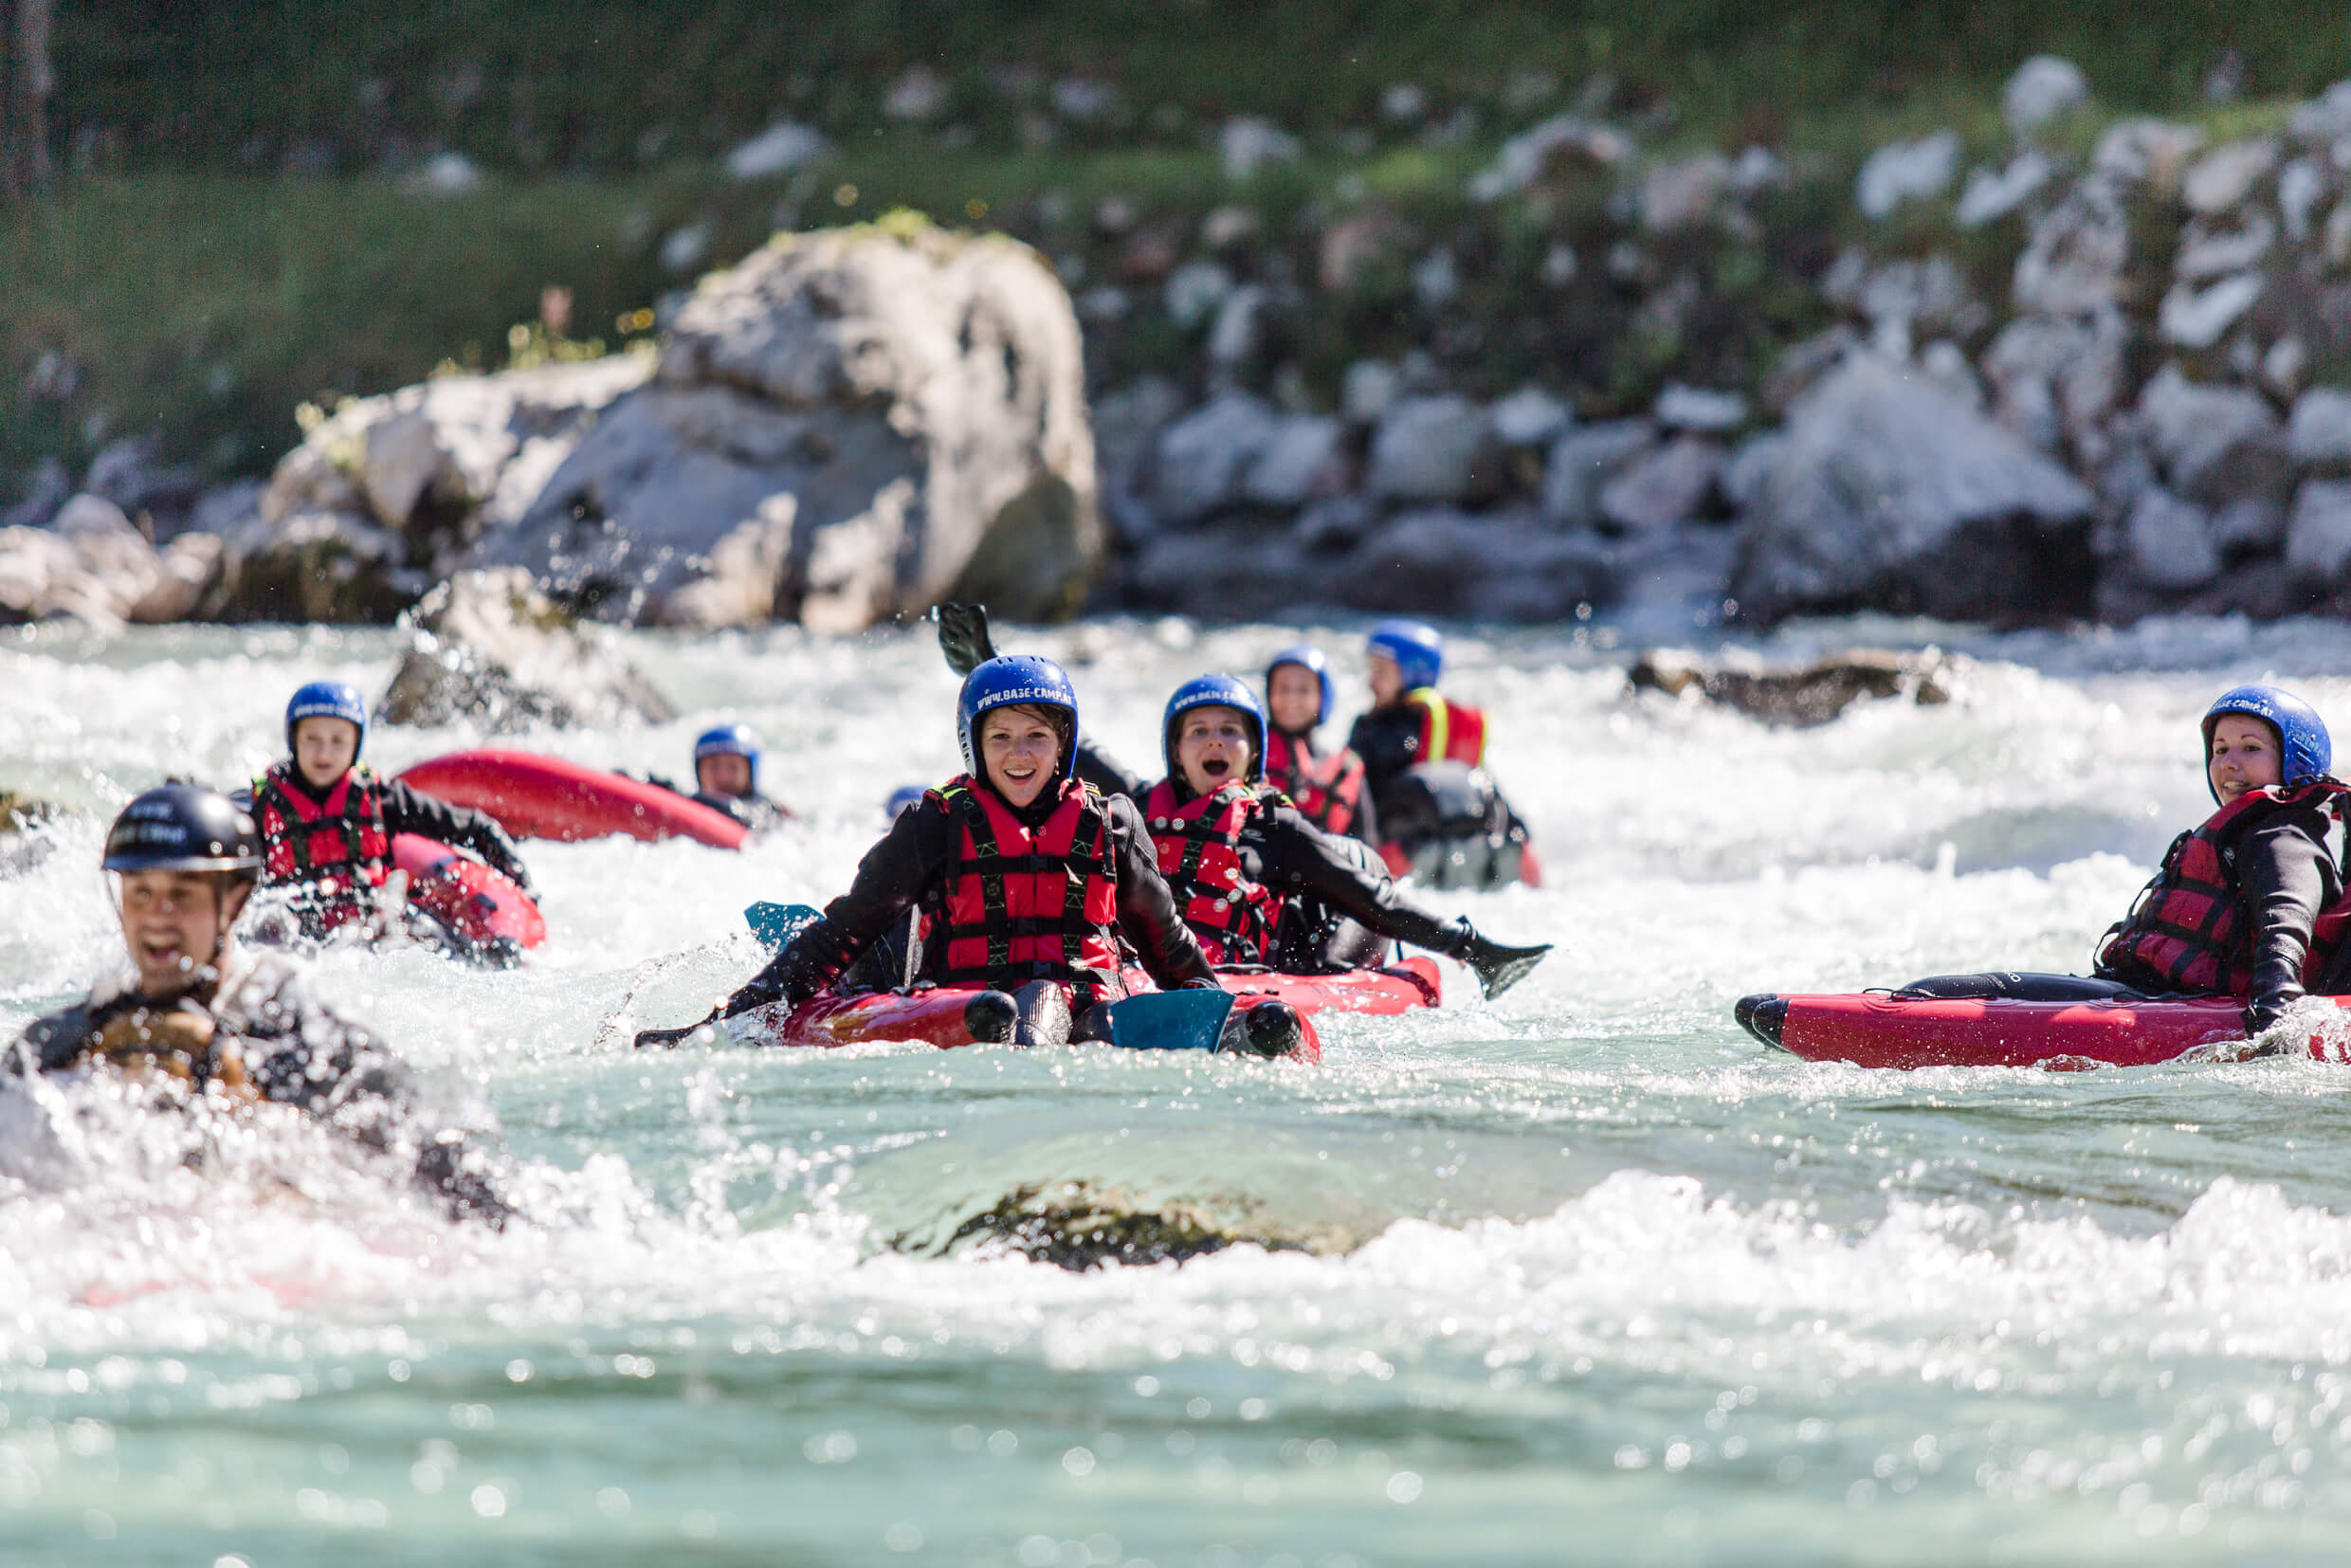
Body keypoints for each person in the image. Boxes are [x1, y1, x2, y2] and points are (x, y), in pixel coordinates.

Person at [11, 784, 511, 1223]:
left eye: (181, 894)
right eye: (140, 894)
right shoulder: (62, 1043)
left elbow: (466, 1195)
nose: (157, 917)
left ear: (236, 899)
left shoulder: (310, 1046)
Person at [713, 655, 1221, 1045]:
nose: (1018, 755)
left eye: (1036, 737)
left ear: (1062, 745)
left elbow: (1167, 947)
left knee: (1059, 1006)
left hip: (1094, 1013)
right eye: (1000, 737)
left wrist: (1220, 1009)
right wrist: (726, 1020)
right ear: (973, 743)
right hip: (973, 1011)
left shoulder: (1112, 823)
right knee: (1033, 1002)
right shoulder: (934, 824)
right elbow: (843, 933)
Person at [1883, 685, 2351, 1036]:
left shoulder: (2281, 836)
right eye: (2220, 749)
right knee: (1958, 988)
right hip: (2153, 995)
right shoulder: (2254, 828)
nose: (2230, 763)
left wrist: (2274, 1019)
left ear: (2295, 764)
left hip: (2181, 1003)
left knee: (1949, 992)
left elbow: (2286, 923)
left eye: (2251, 748)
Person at [1143, 673, 1551, 997]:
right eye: (1198, 731)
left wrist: (1468, 945)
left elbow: (1371, 896)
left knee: (1359, 860)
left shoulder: (1274, 828)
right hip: (1152, 976)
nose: (1215, 739)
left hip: (1243, 982)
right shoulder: (1138, 815)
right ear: (1175, 750)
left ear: (1253, 751)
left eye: (1230, 730)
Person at [250, 682, 536, 941]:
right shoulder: (261, 804)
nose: (324, 753)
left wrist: (520, 882)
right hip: (291, 935)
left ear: (356, 744)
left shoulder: (382, 799)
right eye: (312, 739)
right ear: (293, 739)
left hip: (366, 931)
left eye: (338, 741)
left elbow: (472, 827)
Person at [1344, 620, 1536, 890]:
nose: (1371, 682)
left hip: (1404, 845)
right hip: (1423, 843)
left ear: (1413, 673)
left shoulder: (1371, 728)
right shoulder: (1447, 720)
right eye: (1372, 670)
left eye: (1381, 672)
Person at [1262, 645, 1376, 844]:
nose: (1292, 699)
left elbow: (1368, 847)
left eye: (1304, 690)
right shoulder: (1248, 755)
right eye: (1283, 688)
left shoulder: (1346, 768)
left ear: (1323, 697)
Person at [676, 723, 793, 830]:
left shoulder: (768, 810)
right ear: (698, 772)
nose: (723, 776)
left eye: (733, 767)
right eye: (713, 766)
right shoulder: (688, 800)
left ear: (750, 773)